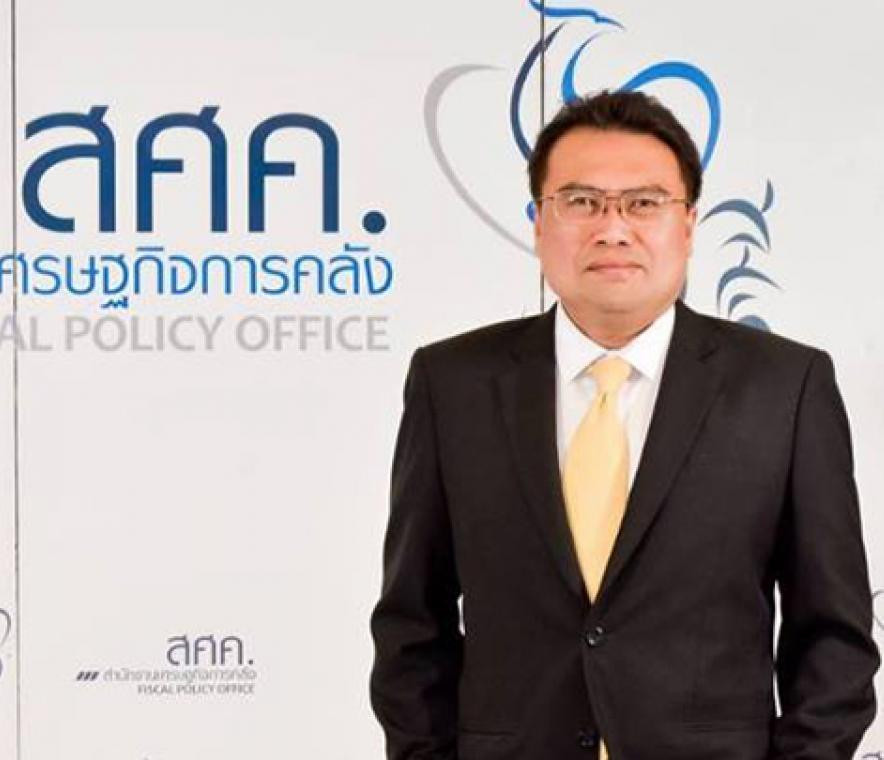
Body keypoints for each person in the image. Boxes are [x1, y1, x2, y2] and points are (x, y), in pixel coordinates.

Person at [369, 90, 879, 759]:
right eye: (581, 202)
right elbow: (413, 626)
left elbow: (833, 640)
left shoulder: (784, 388)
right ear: (539, 222)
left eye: (643, 203)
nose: (612, 229)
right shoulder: (453, 384)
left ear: (688, 225)